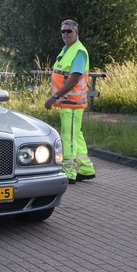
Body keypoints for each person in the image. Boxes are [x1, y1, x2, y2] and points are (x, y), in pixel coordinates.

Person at [44, 19, 96, 184]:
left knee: (69, 138)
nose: (65, 34)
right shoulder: (67, 49)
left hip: (72, 103)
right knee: (76, 135)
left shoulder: (78, 52)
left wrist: (54, 97)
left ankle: (69, 172)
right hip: (68, 103)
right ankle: (86, 169)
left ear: (76, 33)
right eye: (63, 31)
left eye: (69, 31)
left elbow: (73, 79)